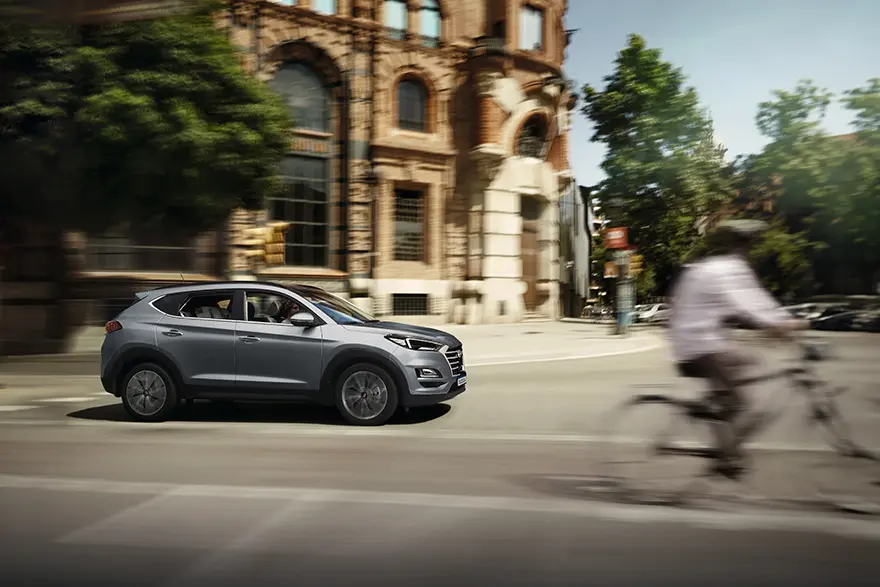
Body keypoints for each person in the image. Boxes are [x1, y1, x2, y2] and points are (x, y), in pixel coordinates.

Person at [667, 219, 810, 476]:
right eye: (750, 245)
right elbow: (746, 303)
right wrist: (782, 325)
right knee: (739, 402)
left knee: (752, 365)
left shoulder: (721, 266)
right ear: (742, 246)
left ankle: (716, 414)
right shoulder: (727, 269)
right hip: (698, 343)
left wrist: (779, 322)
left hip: (704, 340)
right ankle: (724, 455)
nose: (751, 250)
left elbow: (757, 301)